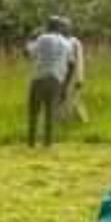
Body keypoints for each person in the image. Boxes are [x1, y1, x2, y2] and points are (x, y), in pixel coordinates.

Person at [26, 15, 79, 149]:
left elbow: (27, 53)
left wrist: (30, 39)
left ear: (48, 26)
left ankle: (31, 143)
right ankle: (47, 143)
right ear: (60, 27)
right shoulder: (67, 43)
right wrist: (65, 85)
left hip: (39, 77)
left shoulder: (42, 38)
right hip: (57, 79)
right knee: (50, 112)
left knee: (34, 111)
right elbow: (72, 65)